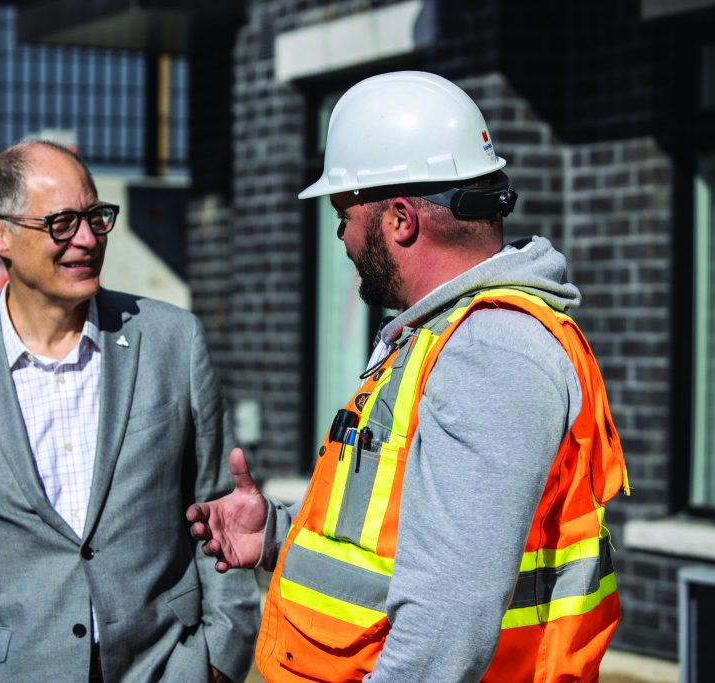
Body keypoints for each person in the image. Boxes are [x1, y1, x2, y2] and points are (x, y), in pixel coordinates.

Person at [187, 71, 629, 683]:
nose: (340, 234)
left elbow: (448, 619)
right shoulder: (441, 335)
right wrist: (278, 535)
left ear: (398, 219)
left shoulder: (491, 352)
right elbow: (405, 542)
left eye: (344, 212)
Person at [0, 140, 259, 682]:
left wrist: (220, 659)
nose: (88, 239)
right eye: (62, 223)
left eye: (96, 217)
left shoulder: (173, 341)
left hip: (169, 667)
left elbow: (220, 508)